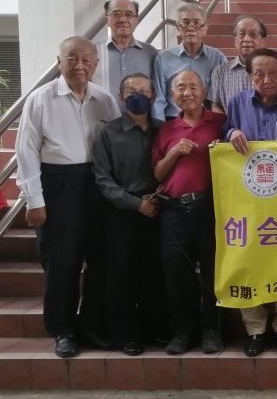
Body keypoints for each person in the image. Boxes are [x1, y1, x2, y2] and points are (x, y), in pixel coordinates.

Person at [16, 37, 120, 358]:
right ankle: (62, 329)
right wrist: (34, 200)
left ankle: (91, 326)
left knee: (100, 260)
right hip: (58, 184)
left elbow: (116, 143)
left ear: (96, 64)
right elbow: (26, 151)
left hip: (97, 184)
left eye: (87, 60)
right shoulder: (41, 99)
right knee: (62, 262)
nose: (80, 66)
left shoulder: (104, 100)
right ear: (59, 61)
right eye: (72, 58)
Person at [221, 48, 277, 357]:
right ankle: (254, 329)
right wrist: (232, 132)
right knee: (250, 260)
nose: (267, 80)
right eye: (259, 74)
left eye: (274, 73)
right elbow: (223, 132)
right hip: (247, 196)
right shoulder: (237, 103)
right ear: (249, 76)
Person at [92, 73, 167, 356]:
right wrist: (136, 204)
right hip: (121, 214)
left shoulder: (163, 130)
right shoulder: (108, 133)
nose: (138, 95)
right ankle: (125, 335)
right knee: (122, 275)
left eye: (144, 91)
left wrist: (156, 199)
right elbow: (102, 179)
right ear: (121, 97)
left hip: (158, 211)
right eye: (131, 91)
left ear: (154, 96)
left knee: (154, 273)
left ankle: (154, 329)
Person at [152, 70, 226, 355]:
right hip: (173, 210)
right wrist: (174, 153)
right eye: (180, 88)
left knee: (211, 271)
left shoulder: (219, 122)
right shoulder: (166, 129)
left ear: (204, 91)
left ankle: (211, 330)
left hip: (210, 208)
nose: (187, 93)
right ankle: (182, 331)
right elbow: (158, 173)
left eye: (193, 87)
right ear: (172, 95)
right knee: (176, 273)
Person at [152, 3, 226, 120]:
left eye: (196, 23)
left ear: (205, 28)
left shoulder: (217, 58)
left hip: (205, 121)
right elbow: (158, 98)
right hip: (173, 120)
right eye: (185, 23)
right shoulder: (163, 58)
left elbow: (221, 97)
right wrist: (160, 126)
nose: (191, 28)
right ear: (178, 28)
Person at [94, 0, 158, 102]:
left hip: (140, 112)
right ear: (106, 20)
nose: (123, 20)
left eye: (129, 14)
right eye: (116, 14)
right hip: (101, 112)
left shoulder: (150, 53)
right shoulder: (93, 52)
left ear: (136, 20)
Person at [210, 15, 267, 114]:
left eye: (253, 35)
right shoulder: (221, 72)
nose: (247, 39)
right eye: (241, 34)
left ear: (263, 41)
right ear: (235, 40)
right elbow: (216, 105)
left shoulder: (275, 71)